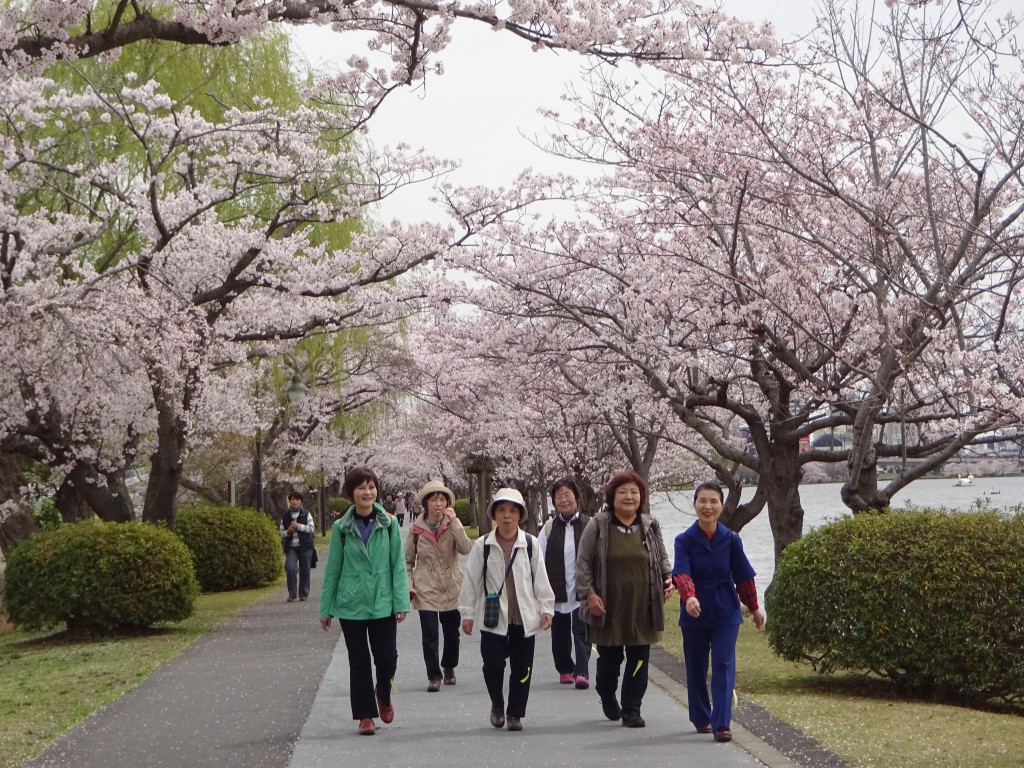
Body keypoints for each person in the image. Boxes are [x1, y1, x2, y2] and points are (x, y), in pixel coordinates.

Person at [576, 470, 673, 728]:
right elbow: (583, 563)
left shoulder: (650, 525)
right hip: (608, 606)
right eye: (623, 492)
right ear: (612, 497)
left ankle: (632, 709)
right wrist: (590, 594)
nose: (629, 497)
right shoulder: (598, 525)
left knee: (639, 659)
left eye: (634, 492)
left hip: (643, 606)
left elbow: (662, 558)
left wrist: (668, 579)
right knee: (610, 662)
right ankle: (607, 695)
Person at [319, 466, 410, 736]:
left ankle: (383, 692)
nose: (367, 492)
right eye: (361, 487)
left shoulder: (390, 523)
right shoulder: (341, 528)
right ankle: (365, 716)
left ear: (377, 491)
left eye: (371, 487)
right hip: (351, 603)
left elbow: (398, 565)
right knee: (358, 661)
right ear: (352, 493)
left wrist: (401, 602)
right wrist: (326, 609)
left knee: (387, 658)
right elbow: (333, 569)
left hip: (382, 601)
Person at [673, 481, 766, 743]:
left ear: (722, 506)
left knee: (724, 664)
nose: (708, 507)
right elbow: (681, 573)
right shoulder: (684, 540)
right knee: (696, 665)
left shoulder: (732, 539)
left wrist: (755, 608)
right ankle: (701, 717)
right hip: (694, 612)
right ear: (695, 505)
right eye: (703, 501)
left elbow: (744, 577)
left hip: (726, 611)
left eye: (713, 501)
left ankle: (722, 723)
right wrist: (689, 596)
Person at [459, 488, 554, 732]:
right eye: (502, 510)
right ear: (494, 514)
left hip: (524, 618)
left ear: (520, 515)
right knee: (492, 665)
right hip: (494, 618)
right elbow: (471, 581)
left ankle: (515, 713)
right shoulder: (483, 546)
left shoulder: (530, 544)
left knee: (522, 669)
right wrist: (467, 614)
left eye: (512, 511)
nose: (507, 516)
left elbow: (540, 579)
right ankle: (497, 703)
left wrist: (546, 608)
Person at [405, 479, 472, 692]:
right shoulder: (416, 528)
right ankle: (433, 675)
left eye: (442, 499)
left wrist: (456, 524)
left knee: (452, 632)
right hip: (426, 585)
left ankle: (449, 666)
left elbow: (465, 548)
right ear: (426, 503)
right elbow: (407, 560)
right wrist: (408, 585)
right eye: (433, 499)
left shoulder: (452, 523)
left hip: (451, 584)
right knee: (430, 634)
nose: (438, 503)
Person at [538, 477, 592, 689]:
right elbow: (539, 559)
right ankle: (565, 669)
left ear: (576, 498)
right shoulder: (549, 528)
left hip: (582, 587)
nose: (563, 500)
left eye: (567, 494)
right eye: (558, 496)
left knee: (582, 631)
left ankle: (582, 672)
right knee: (559, 634)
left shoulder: (589, 525)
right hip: (557, 587)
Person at [280, 490, 316, 602]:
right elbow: (281, 532)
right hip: (291, 547)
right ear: (289, 501)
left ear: (301, 501)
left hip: (305, 546)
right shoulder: (285, 516)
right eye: (293, 499)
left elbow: (311, 529)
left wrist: (298, 526)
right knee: (290, 567)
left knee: (305, 570)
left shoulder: (306, 513)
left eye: (297, 499)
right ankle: (292, 593)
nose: (295, 502)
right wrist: (289, 531)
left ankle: (303, 593)